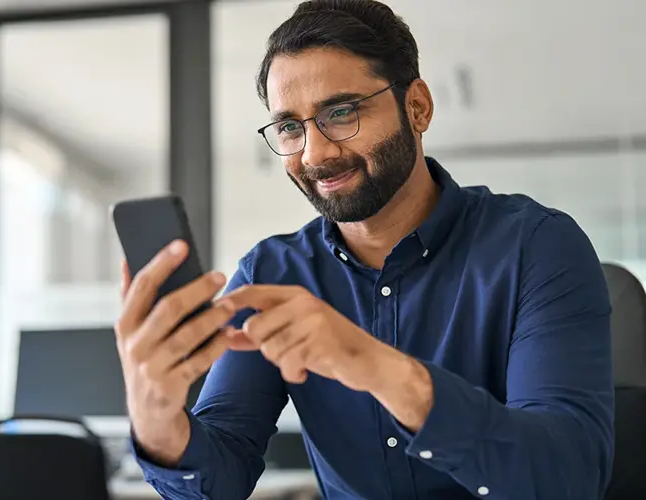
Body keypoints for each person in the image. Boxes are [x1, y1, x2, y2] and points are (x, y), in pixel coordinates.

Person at [115, 1, 614, 498]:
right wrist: (157, 421)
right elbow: (216, 483)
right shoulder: (271, 273)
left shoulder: (537, 247)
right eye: (290, 127)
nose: (315, 153)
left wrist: (376, 366)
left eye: (341, 112)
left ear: (417, 106)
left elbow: (567, 478)